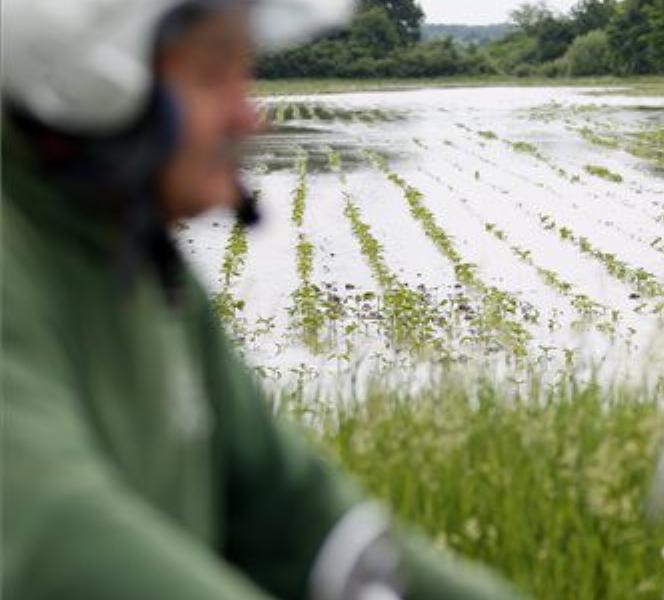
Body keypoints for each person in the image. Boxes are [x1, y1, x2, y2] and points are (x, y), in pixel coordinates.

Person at [1, 2, 524, 599]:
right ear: (91, 86)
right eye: (213, 73)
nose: (250, 117)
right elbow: (55, 538)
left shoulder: (145, 266)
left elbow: (295, 516)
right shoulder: (17, 262)